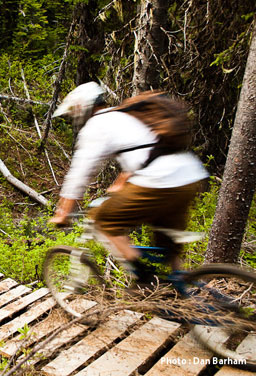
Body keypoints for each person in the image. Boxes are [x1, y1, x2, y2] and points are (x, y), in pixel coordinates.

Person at [48, 82, 208, 282]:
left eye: (73, 112)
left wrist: (63, 212)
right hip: (189, 175)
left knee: (103, 220)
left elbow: (79, 175)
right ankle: (181, 284)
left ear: (81, 107)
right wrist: (120, 185)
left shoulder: (96, 126)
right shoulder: (129, 115)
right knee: (166, 239)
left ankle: (144, 281)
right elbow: (144, 153)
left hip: (160, 180)